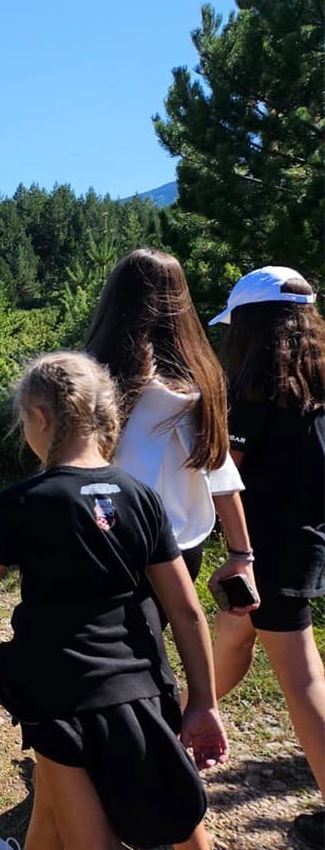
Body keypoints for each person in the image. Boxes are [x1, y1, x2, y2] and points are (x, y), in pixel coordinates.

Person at [0, 352, 227, 850]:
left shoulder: (25, 501)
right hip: (143, 685)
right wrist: (202, 701)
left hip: (61, 695)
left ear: (40, 418)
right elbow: (185, 609)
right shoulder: (140, 496)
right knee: (176, 813)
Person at [207, 266, 325, 846]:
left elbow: (227, 472)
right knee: (231, 640)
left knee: (302, 678)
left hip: (265, 549)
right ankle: (176, 727)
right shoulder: (318, 384)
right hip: (305, 542)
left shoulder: (258, 388)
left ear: (250, 325)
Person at [85, 248, 258, 619]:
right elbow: (221, 472)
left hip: (104, 541)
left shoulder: (94, 379)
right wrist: (241, 555)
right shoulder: (200, 384)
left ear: (114, 300)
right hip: (180, 546)